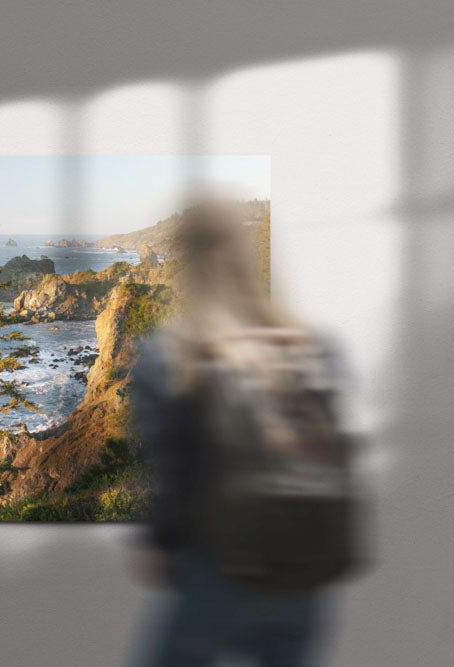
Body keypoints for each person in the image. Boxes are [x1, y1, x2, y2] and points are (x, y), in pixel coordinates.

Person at [130, 198, 352, 666]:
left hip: (219, 564)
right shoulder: (315, 348)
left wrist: (161, 543)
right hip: (305, 570)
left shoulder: (177, 354)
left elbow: (172, 473)